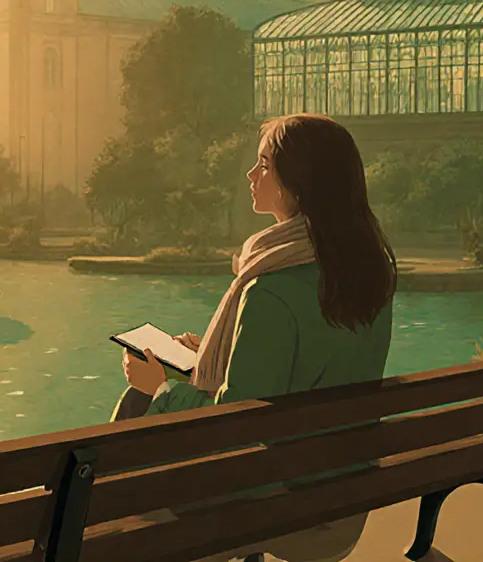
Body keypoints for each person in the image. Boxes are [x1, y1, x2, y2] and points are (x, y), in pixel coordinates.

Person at [114, 113, 398, 562]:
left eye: (264, 165)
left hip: (279, 501)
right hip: (343, 495)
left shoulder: (271, 287)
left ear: (298, 183)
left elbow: (237, 424)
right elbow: (306, 374)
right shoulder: (369, 274)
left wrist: (161, 387)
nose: (250, 174)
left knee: (135, 408)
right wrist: (213, 356)